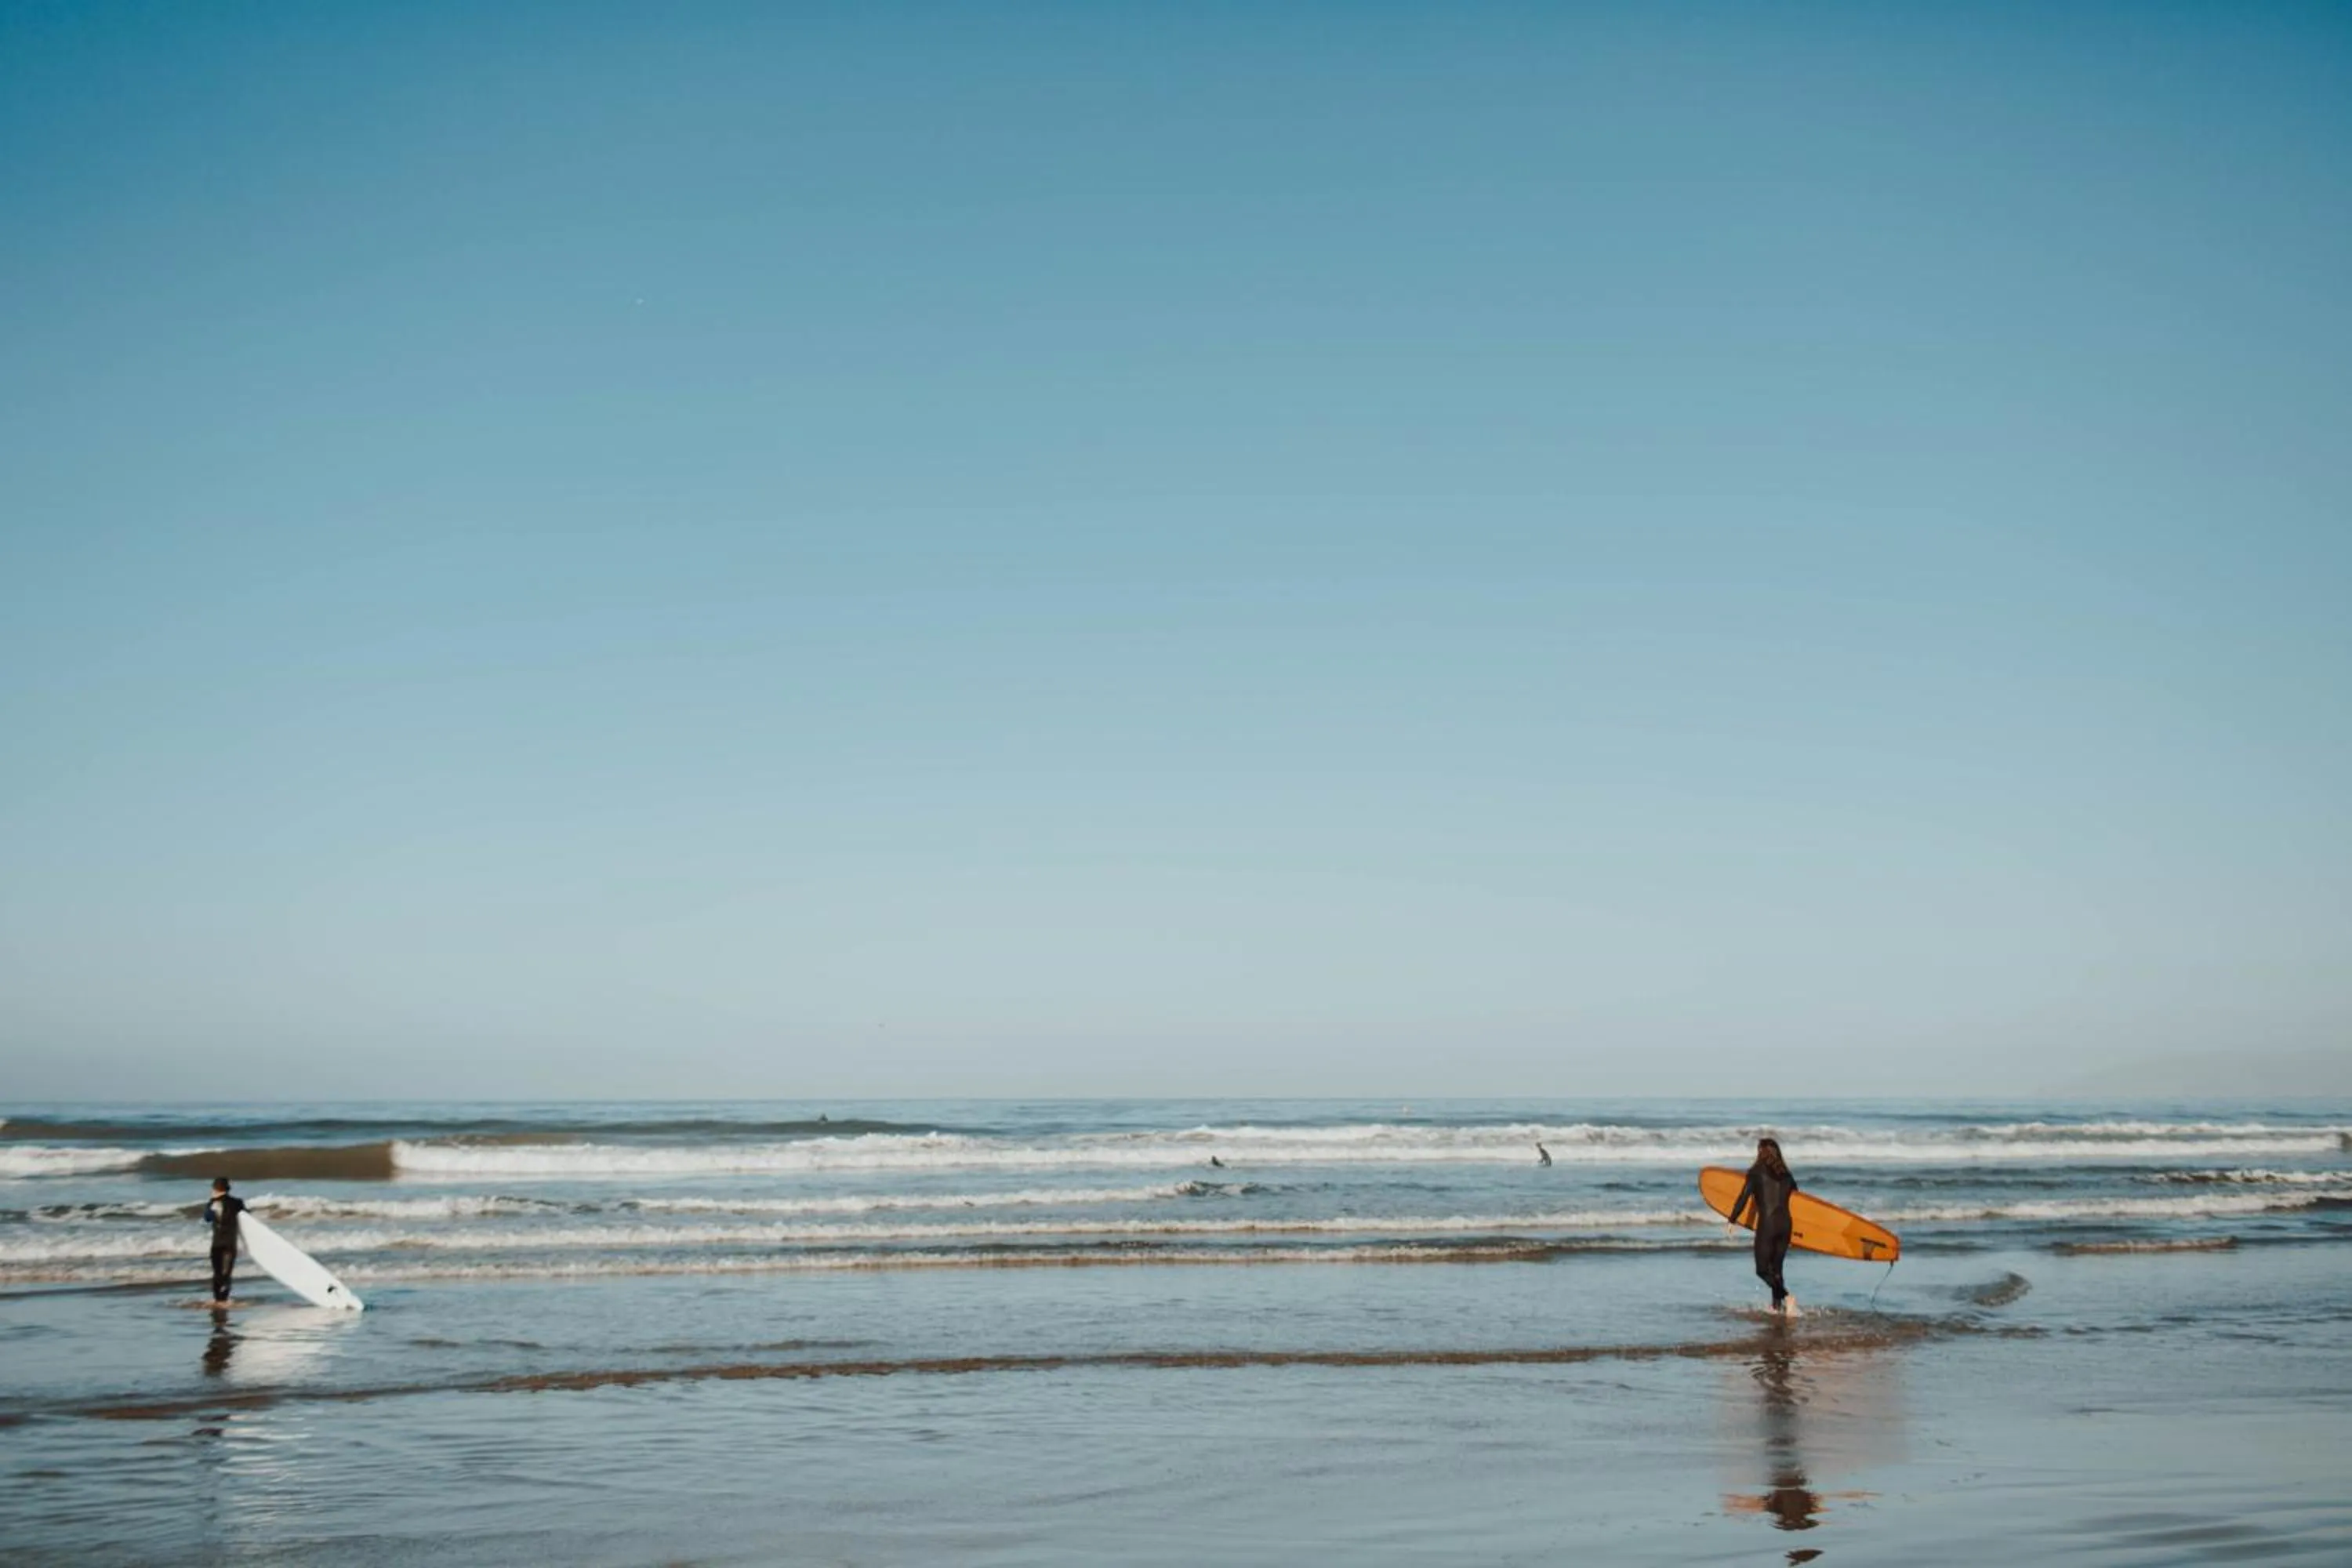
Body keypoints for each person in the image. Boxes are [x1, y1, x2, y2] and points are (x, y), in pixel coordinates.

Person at [1726, 1138, 1798, 1318]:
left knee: (1762, 1270)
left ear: (1760, 1152)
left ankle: (1786, 1296)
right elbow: (1798, 1201)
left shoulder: (1756, 1172)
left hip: (1768, 1225)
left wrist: (1732, 1219)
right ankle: (1777, 1308)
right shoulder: (1787, 1175)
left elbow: (1743, 1197)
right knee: (1777, 1270)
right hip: (1786, 1225)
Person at [201, 1178, 246, 1303]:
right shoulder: (237, 1203)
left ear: (214, 1189)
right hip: (230, 1244)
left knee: (217, 1274)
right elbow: (247, 1218)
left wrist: (212, 1205)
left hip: (217, 1244)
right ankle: (224, 1299)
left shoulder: (212, 1203)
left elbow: (207, 1218)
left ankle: (218, 1300)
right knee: (227, 1274)